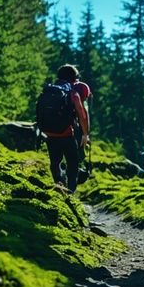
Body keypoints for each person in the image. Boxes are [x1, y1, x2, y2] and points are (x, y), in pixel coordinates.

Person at [43, 64, 91, 193]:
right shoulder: (72, 92)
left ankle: (59, 186)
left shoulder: (48, 90)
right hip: (66, 134)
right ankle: (70, 192)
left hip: (49, 133)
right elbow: (82, 115)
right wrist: (85, 134)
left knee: (55, 162)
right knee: (73, 163)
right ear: (74, 78)